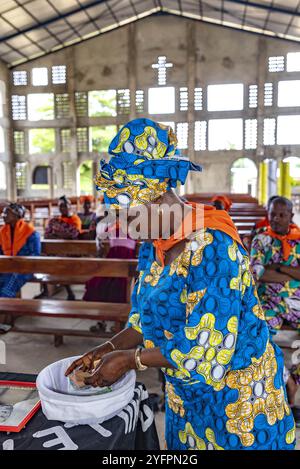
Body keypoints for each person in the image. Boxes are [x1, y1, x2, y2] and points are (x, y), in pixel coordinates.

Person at [65, 118, 295, 450]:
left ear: (155, 199)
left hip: (239, 403)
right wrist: (106, 349)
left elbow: (208, 350)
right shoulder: (154, 247)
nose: (125, 229)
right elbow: (143, 320)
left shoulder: (214, 248)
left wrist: (131, 360)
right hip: (187, 400)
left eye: (127, 216)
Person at [250, 196, 300, 417]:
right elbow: (258, 271)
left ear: (291, 216)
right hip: (269, 302)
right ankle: (285, 378)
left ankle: (296, 379)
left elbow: (269, 271)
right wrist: (290, 272)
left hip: (296, 303)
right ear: (268, 215)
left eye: (282, 215)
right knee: (257, 334)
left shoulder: (298, 240)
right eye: (273, 215)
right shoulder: (261, 240)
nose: (277, 219)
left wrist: (277, 267)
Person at [83, 213, 136, 334]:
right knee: (101, 287)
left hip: (126, 263)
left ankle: (119, 324)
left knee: (120, 290)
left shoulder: (134, 225)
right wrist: (99, 244)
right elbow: (100, 239)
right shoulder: (111, 225)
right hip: (112, 260)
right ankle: (102, 321)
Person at [43, 196, 82, 300]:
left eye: (64, 206)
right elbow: (47, 235)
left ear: (70, 206)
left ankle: (69, 292)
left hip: (71, 249)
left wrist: (56, 233)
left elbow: (73, 234)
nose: (62, 208)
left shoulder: (75, 219)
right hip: (56, 248)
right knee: (41, 257)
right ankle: (46, 290)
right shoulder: (55, 220)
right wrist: (61, 233)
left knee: (60, 261)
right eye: (60, 206)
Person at [0, 203, 41, 298]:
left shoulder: (31, 233)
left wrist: (16, 264)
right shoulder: (2, 232)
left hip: (25, 268)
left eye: (7, 213)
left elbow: (35, 255)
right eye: (3, 213)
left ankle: (4, 308)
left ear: (16, 215)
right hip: (7, 267)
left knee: (7, 287)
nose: (3, 216)